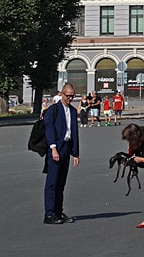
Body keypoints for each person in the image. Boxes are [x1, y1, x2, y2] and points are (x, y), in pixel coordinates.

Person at [43, 82, 79, 224]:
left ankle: (58, 211)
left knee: (61, 182)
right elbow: (49, 129)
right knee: (52, 182)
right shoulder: (54, 109)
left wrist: (75, 153)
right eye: (68, 96)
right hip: (56, 147)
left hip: (66, 147)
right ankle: (49, 214)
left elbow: (74, 133)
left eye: (72, 96)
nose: (70, 98)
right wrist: (53, 148)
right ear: (62, 94)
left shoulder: (73, 111)